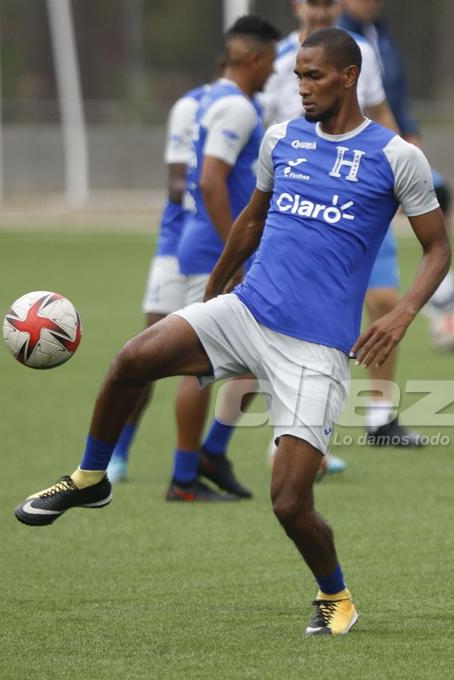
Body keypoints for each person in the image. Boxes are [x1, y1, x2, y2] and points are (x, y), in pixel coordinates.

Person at [14, 27, 451, 635]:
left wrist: (401, 313)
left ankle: (337, 597)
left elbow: (438, 249)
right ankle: (90, 479)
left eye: (314, 76)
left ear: (349, 77)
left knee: (290, 502)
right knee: (131, 360)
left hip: (316, 347)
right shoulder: (282, 137)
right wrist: (216, 286)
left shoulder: (397, 156)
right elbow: (252, 220)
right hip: (246, 311)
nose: (301, 88)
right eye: (297, 76)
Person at [210, 0, 425, 451]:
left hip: (360, 197)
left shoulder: (357, 51)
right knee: (274, 319)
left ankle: (381, 417)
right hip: (300, 201)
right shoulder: (281, 58)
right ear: (299, 5)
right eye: (315, 2)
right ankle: (238, 441)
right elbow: (260, 123)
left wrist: (406, 162)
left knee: (385, 299)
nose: (322, 10)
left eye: (330, 2)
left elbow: (381, 110)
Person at [159, 16, 281, 501]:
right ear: (255, 58)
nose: (276, 70)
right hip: (214, 251)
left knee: (260, 356)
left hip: (205, 245)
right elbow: (211, 181)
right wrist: (235, 253)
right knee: (200, 366)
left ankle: (209, 453)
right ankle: (185, 477)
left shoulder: (210, 99)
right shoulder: (237, 107)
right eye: (272, 59)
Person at [340, 0, 454, 318]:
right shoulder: (341, 40)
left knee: (439, 192)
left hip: (391, 142)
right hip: (360, 151)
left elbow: (394, 93)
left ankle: (442, 292)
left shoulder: (379, 32)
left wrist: (409, 134)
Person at [104, 80, 212, 485]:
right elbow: (176, 184)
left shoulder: (268, 106)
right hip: (176, 246)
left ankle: (203, 459)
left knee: (216, 360)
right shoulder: (193, 107)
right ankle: (116, 454)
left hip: (222, 249)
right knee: (149, 353)